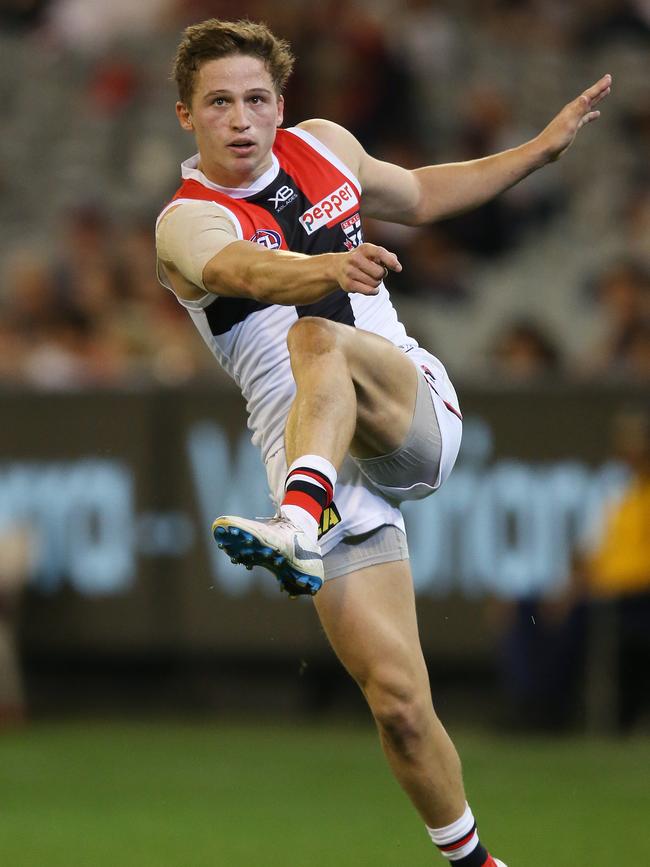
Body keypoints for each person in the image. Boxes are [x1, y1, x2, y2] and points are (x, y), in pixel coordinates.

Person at [155, 18, 611, 866]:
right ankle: (478, 862)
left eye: (257, 98)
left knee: (314, 339)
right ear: (187, 116)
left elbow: (425, 194)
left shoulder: (324, 144)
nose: (242, 118)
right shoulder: (184, 222)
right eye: (219, 103)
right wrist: (325, 268)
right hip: (313, 447)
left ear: (281, 103)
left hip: (404, 412)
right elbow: (242, 272)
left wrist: (539, 152)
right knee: (399, 705)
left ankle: (296, 524)